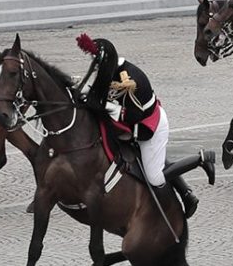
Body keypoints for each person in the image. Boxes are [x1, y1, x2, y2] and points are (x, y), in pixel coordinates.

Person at [75, 34, 213, 218]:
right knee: (151, 158)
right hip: (128, 123)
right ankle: (186, 193)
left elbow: (134, 115)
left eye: (98, 64)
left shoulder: (130, 80)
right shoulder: (110, 70)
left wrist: (105, 106)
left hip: (148, 125)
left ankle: (201, 159)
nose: (96, 68)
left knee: (155, 177)